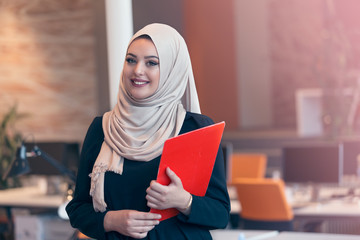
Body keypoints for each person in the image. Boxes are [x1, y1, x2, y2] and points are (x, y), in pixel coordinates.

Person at [66, 23, 230, 240]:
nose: (137, 70)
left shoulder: (195, 128)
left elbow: (220, 214)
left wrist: (184, 201)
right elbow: (78, 209)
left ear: (173, 69)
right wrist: (111, 221)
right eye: (131, 60)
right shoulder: (102, 128)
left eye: (152, 63)